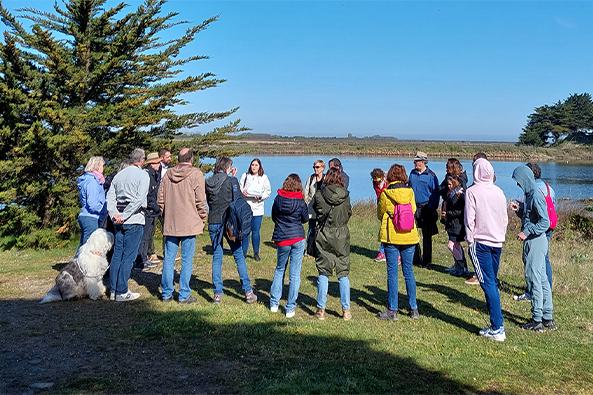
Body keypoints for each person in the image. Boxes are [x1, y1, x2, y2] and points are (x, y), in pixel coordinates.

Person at [465, 158, 508, 341]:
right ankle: (496, 325)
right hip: (497, 242)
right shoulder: (499, 191)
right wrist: (500, 235)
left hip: (480, 243)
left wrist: (469, 240)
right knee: (492, 282)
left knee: (488, 283)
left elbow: (469, 219)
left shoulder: (472, 191)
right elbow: (504, 218)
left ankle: (497, 328)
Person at [158, 148, 207, 304]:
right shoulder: (196, 174)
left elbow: (160, 199)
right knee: (186, 259)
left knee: (169, 259)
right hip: (189, 223)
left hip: (171, 222)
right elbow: (201, 200)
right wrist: (203, 217)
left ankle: (166, 293)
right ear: (191, 158)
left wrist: (164, 216)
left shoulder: (167, 174)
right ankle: (184, 294)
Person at [206, 156, 257, 304]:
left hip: (214, 220)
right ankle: (248, 291)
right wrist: (232, 179)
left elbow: (210, 200)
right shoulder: (231, 181)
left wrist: (231, 178)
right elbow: (236, 201)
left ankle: (217, 293)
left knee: (217, 256)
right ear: (228, 167)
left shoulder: (208, 181)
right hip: (229, 222)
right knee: (239, 255)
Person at [511, 165, 556, 332]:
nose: (517, 185)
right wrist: (521, 210)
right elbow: (533, 216)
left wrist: (526, 232)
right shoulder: (531, 194)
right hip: (536, 240)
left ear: (525, 179)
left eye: (518, 181)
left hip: (536, 241)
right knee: (542, 279)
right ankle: (547, 317)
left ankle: (536, 320)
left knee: (534, 279)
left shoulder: (536, 195)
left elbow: (544, 222)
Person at [376, 164, 420, 320]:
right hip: (410, 236)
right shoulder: (410, 192)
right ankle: (413, 308)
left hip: (392, 237)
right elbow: (413, 210)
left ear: (390, 177)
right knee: (409, 272)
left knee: (392, 273)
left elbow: (380, 213)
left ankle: (392, 310)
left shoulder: (386, 194)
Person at [106, 148, 149, 302]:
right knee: (128, 256)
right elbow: (139, 199)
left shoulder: (119, 175)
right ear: (142, 160)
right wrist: (124, 215)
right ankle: (122, 290)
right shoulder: (143, 175)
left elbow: (110, 197)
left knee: (118, 254)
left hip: (119, 219)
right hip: (134, 218)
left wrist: (114, 214)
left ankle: (113, 289)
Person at [312, 168, 352, 320]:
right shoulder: (345, 196)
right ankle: (346, 310)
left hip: (324, 233)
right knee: (343, 272)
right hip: (341, 234)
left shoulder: (319, 195)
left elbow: (318, 213)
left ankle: (321, 309)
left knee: (323, 272)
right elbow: (348, 213)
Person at [269, 174, 309, 317]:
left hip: (282, 237)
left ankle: (274, 302)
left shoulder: (278, 199)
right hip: (297, 237)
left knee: (280, 269)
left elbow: (274, 216)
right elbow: (305, 218)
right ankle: (290, 307)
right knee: (294, 274)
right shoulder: (300, 201)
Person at [408, 151, 439, 267]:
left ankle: (427, 261)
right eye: (415, 161)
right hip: (413, 207)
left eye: (417, 161)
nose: (415, 163)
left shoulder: (431, 175)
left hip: (426, 208)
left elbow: (436, 193)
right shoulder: (412, 173)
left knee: (427, 236)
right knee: (412, 234)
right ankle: (416, 258)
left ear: (423, 162)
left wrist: (432, 207)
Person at [465, 152, 490, 285]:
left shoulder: (474, 190)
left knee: (477, 252)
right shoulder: (494, 188)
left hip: (481, 227)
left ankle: (480, 276)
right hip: (490, 229)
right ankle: (485, 275)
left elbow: (470, 216)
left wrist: (469, 237)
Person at [239, 158, 271, 261]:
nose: (254, 167)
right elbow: (239, 189)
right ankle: (243, 253)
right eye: (252, 165)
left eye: (256, 165)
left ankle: (256, 253)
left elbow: (268, 191)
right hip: (246, 207)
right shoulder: (245, 176)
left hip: (258, 209)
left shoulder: (264, 178)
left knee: (256, 231)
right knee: (245, 231)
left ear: (260, 167)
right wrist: (242, 193)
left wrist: (261, 197)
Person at [134, 152, 161, 271]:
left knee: (148, 236)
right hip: (148, 211)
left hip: (152, 211)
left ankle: (144, 258)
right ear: (152, 163)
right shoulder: (148, 175)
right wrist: (157, 208)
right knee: (144, 237)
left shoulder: (155, 174)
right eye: (157, 162)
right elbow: (149, 195)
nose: (159, 164)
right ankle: (141, 261)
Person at [441, 175, 469, 277]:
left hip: (457, 224)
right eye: (447, 184)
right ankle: (460, 267)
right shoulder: (452, 193)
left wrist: (448, 214)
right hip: (452, 223)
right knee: (456, 245)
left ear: (454, 183)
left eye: (450, 184)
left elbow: (461, 211)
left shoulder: (460, 194)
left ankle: (461, 266)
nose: (448, 186)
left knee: (451, 245)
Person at [77, 156, 107, 248]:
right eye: (102, 166)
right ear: (97, 166)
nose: (103, 168)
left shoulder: (88, 179)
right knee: (88, 248)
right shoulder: (92, 182)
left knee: (83, 246)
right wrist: (104, 210)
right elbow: (93, 204)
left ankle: (76, 262)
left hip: (86, 216)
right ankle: (79, 262)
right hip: (92, 217)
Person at [304, 160, 325, 255]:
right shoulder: (311, 178)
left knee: (321, 229)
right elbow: (305, 192)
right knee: (311, 229)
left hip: (322, 208)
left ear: (322, 168)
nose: (315, 169)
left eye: (317, 167)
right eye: (314, 167)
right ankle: (308, 250)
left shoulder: (326, 178)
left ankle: (320, 250)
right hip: (311, 207)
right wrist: (307, 202)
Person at [371, 168, 387, 262]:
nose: (376, 181)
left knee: (386, 230)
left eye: (378, 179)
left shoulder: (388, 181)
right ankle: (383, 252)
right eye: (374, 179)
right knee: (383, 229)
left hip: (389, 207)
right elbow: (379, 194)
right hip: (381, 206)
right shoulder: (375, 183)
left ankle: (384, 252)